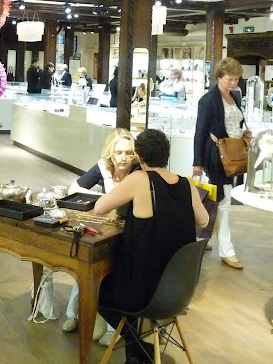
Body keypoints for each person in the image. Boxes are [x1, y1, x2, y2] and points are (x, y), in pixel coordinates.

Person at [93, 129, 209, 364]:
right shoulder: (186, 183)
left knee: (98, 290)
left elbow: (99, 208)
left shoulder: (139, 179)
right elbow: (204, 220)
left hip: (145, 291)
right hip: (179, 290)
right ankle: (135, 355)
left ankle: (138, 348)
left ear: (139, 156)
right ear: (167, 155)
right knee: (129, 280)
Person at [62, 129, 140, 343]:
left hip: (128, 232)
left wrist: (109, 200)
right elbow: (74, 189)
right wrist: (104, 197)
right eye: (119, 152)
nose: (124, 157)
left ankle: (112, 327)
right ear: (110, 153)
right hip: (106, 228)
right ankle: (74, 314)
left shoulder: (138, 171)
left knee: (114, 272)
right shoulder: (103, 167)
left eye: (129, 153)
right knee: (85, 265)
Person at [193, 57, 252, 269]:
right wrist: (197, 162)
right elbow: (200, 132)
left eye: (236, 79)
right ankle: (226, 250)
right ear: (219, 77)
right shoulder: (208, 101)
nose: (233, 83)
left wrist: (244, 132)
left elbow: (237, 122)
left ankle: (201, 238)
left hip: (232, 155)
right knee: (224, 201)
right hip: (216, 156)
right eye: (229, 79)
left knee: (215, 198)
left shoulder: (235, 97)